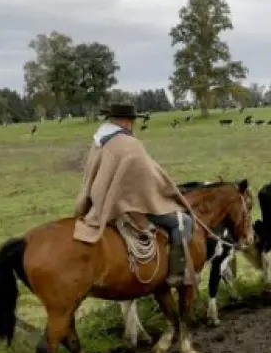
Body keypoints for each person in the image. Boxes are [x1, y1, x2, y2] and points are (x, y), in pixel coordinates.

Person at [73, 103, 195, 286]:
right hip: (128, 206)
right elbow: (148, 178)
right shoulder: (129, 144)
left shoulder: (99, 141)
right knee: (183, 222)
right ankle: (176, 274)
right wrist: (167, 189)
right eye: (133, 122)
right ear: (128, 122)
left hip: (100, 202)